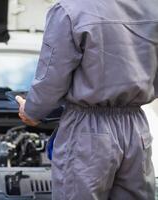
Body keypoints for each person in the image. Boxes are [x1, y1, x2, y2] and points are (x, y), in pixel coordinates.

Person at [16, 0, 157, 199]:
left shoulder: (70, 9)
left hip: (88, 132)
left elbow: (52, 76)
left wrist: (32, 111)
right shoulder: (151, 7)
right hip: (136, 130)